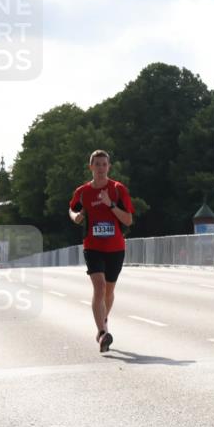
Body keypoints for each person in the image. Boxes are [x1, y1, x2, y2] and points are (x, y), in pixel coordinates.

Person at [69, 150, 135, 352]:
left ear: (109, 167)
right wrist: (76, 217)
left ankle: (103, 318)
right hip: (93, 246)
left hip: (115, 247)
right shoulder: (82, 192)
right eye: (97, 164)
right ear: (91, 167)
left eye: (104, 164)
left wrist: (111, 204)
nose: (100, 168)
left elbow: (128, 220)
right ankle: (103, 333)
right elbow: (72, 210)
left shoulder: (117, 189)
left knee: (109, 291)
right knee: (99, 287)